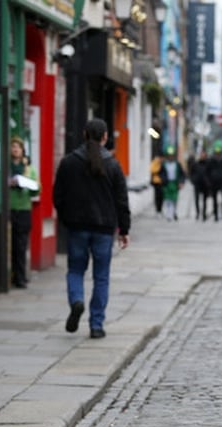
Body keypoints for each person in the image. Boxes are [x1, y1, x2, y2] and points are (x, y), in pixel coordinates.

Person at [53, 118, 131, 339]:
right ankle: (96, 324)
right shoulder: (113, 165)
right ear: (105, 137)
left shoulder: (69, 162)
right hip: (104, 229)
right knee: (101, 277)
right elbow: (121, 201)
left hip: (77, 227)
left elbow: (57, 196)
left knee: (76, 270)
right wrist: (124, 230)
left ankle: (77, 301)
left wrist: (67, 219)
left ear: (84, 134)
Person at [9, 136, 40, 289]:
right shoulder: (6, 167)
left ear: (23, 151)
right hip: (9, 209)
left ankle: (20, 277)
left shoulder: (28, 169)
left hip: (23, 210)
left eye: (18, 147)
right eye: (13, 146)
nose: (15, 149)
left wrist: (26, 184)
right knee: (10, 245)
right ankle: (11, 275)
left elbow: (37, 189)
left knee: (20, 246)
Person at [205, 140, 222, 221]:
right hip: (214, 182)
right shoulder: (211, 160)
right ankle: (216, 214)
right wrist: (208, 181)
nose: (218, 153)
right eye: (217, 151)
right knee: (215, 199)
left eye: (219, 151)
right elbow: (207, 171)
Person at [159, 147, 186, 221]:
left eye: (172, 155)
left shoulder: (177, 164)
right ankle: (168, 214)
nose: (170, 157)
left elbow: (182, 174)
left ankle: (173, 212)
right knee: (167, 199)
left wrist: (181, 182)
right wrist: (163, 180)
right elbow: (161, 174)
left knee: (174, 199)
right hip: (167, 184)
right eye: (169, 155)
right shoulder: (164, 164)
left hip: (175, 183)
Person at [187, 151, 210, 220]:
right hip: (197, 184)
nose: (202, 156)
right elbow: (191, 173)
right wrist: (193, 180)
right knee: (196, 199)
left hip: (205, 184)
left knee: (205, 200)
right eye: (201, 155)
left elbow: (210, 173)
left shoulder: (208, 164)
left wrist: (209, 182)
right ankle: (197, 213)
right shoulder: (195, 164)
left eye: (203, 155)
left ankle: (204, 214)